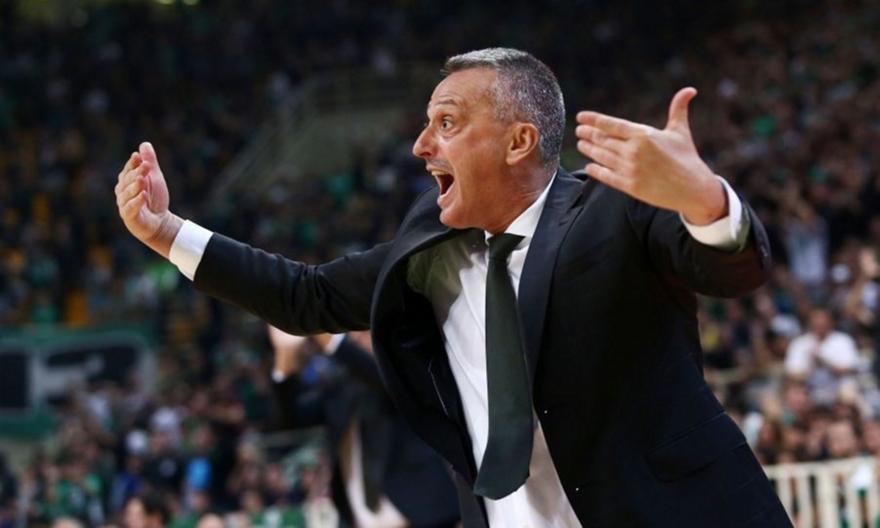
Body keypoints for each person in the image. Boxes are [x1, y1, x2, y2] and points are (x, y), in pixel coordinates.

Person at [115, 48, 790, 527]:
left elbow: (733, 268)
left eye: (447, 123)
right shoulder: (428, 246)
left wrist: (704, 200)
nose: (420, 145)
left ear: (519, 142)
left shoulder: (614, 208)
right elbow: (305, 296)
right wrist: (168, 232)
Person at [268, 327, 460, 528]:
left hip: (423, 511)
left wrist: (320, 333)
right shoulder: (341, 389)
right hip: (362, 520)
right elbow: (289, 421)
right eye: (355, 337)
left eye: (364, 333)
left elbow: (377, 375)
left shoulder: (403, 367)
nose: (358, 340)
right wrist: (284, 358)